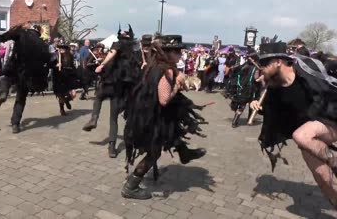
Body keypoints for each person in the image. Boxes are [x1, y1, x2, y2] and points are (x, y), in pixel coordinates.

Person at [250, 42, 337, 208]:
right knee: (323, 179)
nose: (261, 68)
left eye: (264, 64)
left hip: (332, 118)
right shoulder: (273, 89)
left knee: (301, 136)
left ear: (278, 62)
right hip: (311, 132)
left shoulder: (307, 69)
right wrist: (257, 106)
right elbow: (273, 116)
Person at [121, 36, 207, 199]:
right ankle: (130, 187)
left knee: (171, 132)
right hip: (153, 119)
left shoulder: (155, 65)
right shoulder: (166, 70)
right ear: (168, 53)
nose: (181, 55)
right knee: (154, 154)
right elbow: (164, 99)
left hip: (149, 115)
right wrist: (176, 85)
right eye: (178, 52)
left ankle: (184, 153)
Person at [82, 25, 141, 158]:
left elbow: (112, 53)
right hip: (123, 85)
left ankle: (94, 118)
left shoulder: (118, 44)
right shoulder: (134, 48)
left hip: (111, 80)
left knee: (98, 96)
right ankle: (112, 147)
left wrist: (102, 64)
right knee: (113, 118)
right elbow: (138, 64)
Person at [0, 25, 50, 133]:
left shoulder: (23, 34)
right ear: (39, 33)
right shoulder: (42, 43)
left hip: (15, 66)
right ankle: (15, 124)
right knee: (21, 98)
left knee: (6, 78)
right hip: (28, 75)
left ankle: (4, 94)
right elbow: (47, 59)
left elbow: (9, 35)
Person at [228, 50, 261, 128]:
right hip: (248, 89)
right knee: (243, 105)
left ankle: (247, 119)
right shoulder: (249, 67)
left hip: (247, 89)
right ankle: (235, 121)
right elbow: (256, 78)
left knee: (249, 105)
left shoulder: (251, 66)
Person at [52, 41, 79, 115]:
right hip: (59, 78)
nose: (62, 50)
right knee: (60, 95)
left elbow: (73, 67)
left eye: (63, 48)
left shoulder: (69, 56)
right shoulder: (55, 56)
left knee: (73, 94)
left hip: (68, 78)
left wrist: (75, 75)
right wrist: (56, 66)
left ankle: (67, 100)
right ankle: (62, 109)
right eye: (60, 48)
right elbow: (50, 65)